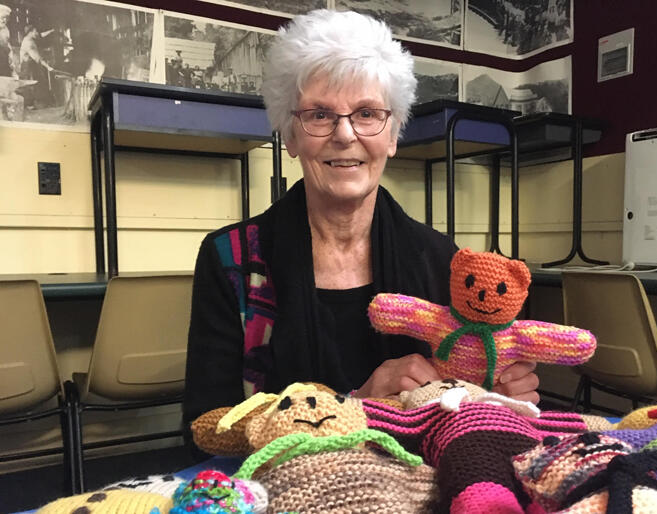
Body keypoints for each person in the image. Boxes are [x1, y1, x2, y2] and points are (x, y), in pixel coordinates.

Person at [182, 9, 539, 443]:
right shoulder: (232, 260)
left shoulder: (443, 261)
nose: (345, 134)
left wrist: (493, 397)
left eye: (367, 113)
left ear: (392, 136)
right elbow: (206, 429)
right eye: (319, 115)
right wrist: (356, 407)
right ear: (290, 137)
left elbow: (459, 409)